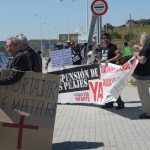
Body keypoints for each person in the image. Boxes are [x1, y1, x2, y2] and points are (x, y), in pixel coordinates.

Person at [100, 33, 124, 109]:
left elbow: (119, 55)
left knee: (113, 87)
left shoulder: (112, 47)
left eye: (107, 37)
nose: (105, 39)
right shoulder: (103, 48)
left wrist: (110, 60)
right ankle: (109, 103)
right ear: (102, 39)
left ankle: (120, 103)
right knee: (106, 87)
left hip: (111, 71)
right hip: (104, 71)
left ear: (109, 38)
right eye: (104, 38)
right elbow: (104, 58)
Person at [133, 32, 150, 119]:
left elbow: (142, 60)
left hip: (142, 76)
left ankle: (148, 113)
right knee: (146, 94)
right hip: (146, 75)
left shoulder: (145, 49)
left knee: (144, 95)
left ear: (142, 40)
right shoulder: (147, 48)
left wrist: (136, 54)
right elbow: (143, 49)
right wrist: (138, 47)